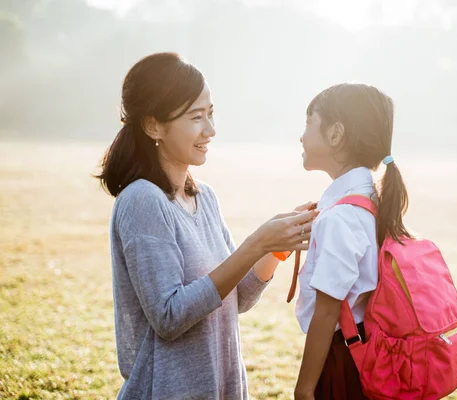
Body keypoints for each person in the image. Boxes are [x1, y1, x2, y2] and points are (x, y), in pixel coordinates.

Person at [95, 52, 317, 400]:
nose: (210, 130)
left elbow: (237, 297)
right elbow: (169, 316)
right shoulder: (142, 201)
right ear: (154, 125)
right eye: (197, 117)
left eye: (211, 114)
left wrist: (277, 244)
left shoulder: (205, 197)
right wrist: (255, 244)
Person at [293, 83, 412, 400]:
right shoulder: (370, 200)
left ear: (335, 135)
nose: (301, 136)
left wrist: (303, 390)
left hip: (343, 359)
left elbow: (327, 312)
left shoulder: (339, 218)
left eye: (308, 123)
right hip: (367, 347)